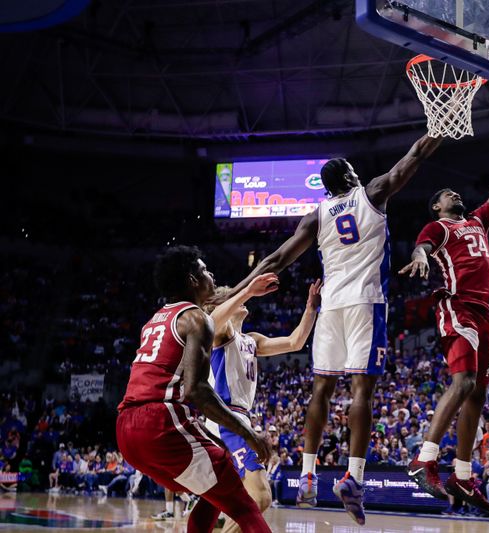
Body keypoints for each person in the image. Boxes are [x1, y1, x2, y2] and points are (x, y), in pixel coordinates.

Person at [218, 134, 444, 526]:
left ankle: (307, 473)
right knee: (362, 389)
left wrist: (237, 292)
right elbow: (413, 158)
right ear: (352, 176)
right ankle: (353, 478)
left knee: (321, 388)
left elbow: (276, 258)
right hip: (365, 302)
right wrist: (438, 129)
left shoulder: (316, 215)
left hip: (330, 307)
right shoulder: (371, 192)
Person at [401, 122, 489, 511]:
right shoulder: (438, 226)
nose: (454, 194)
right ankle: (423, 459)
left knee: (478, 392)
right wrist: (420, 257)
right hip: (456, 307)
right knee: (462, 383)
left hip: (484, 314)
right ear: (437, 206)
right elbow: (422, 246)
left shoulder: (478, 221)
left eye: (454, 192)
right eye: (446, 194)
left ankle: (462, 476)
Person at [116, 246, 272, 533]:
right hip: (159, 422)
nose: (211, 276)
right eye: (205, 271)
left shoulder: (154, 320)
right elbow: (197, 390)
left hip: (126, 428)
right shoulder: (196, 318)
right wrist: (248, 432)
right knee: (243, 503)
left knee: (215, 493)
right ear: (192, 280)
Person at [204, 276, 320, 533]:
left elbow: (295, 342)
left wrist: (311, 308)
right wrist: (246, 291)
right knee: (261, 497)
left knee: (239, 502)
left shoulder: (251, 339)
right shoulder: (221, 333)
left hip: (239, 420)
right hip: (225, 419)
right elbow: (213, 320)